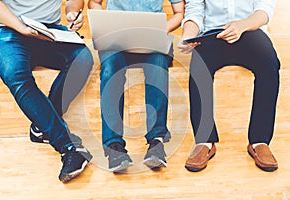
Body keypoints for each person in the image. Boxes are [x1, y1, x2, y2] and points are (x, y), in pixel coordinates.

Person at [0, 0, 94, 183]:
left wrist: (72, 12)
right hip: (7, 28)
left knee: (83, 58)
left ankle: (42, 127)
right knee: (14, 72)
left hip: (48, 30)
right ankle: (67, 146)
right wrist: (21, 27)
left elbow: (74, 1)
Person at [178, 0, 280, 172]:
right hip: (213, 33)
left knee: (269, 63)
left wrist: (242, 25)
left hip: (250, 30)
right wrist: (188, 36)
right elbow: (194, 11)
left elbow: (264, 10)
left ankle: (259, 141)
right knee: (199, 64)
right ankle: (205, 141)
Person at [88, 0, 184, 172]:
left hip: (151, 40)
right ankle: (113, 146)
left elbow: (179, 12)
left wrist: (160, 31)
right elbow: (94, 3)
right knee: (110, 69)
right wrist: (108, 26)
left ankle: (157, 141)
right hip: (116, 39)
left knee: (158, 66)